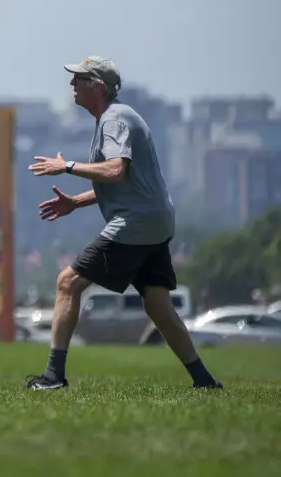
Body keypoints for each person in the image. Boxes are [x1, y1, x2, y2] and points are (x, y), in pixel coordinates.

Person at [26, 56, 222, 391]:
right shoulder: (115, 118)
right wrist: (76, 201)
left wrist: (68, 166)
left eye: (80, 79)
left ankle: (53, 377)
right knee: (157, 303)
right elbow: (125, 182)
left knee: (67, 283)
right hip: (156, 221)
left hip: (136, 223)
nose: (72, 85)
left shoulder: (114, 120)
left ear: (98, 87)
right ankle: (204, 381)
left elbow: (117, 170)